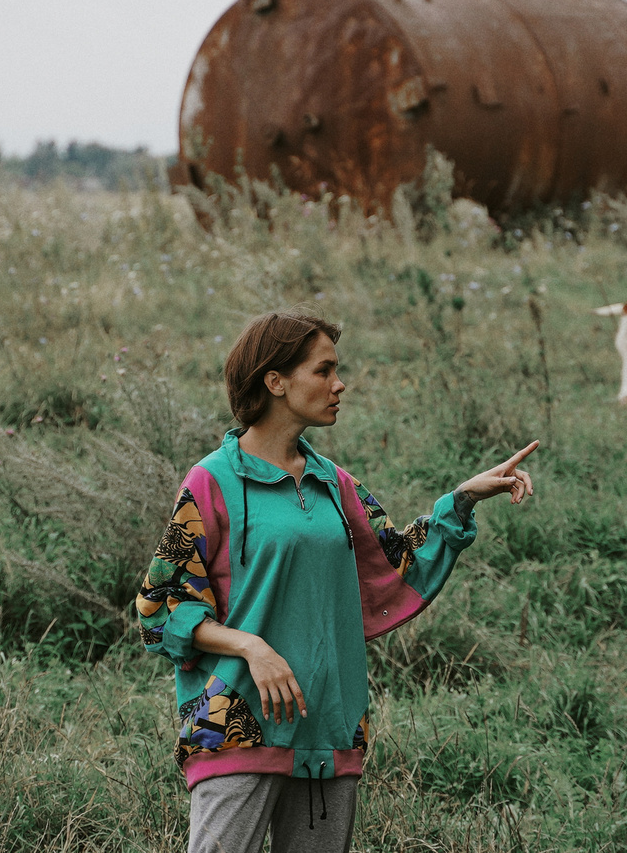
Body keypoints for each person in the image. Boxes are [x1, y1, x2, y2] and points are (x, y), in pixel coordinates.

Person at [136, 311, 538, 853]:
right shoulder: (212, 481)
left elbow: (397, 564)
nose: (339, 384)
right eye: (323, 371)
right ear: (275, 382)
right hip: (237, 723)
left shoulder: (334, 484)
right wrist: (250, 646)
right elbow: (161, 604)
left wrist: (461, 501)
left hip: (329, 725)